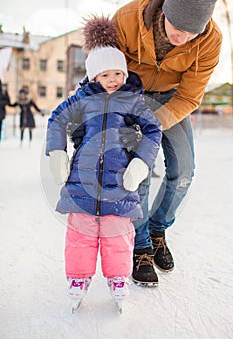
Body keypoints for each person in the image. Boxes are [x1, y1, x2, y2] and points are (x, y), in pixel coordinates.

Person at [46, 16, 162, 310]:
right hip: (82, 180)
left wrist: (141, 163)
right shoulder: (81, 100)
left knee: (118, 234)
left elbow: (153, 130)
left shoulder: (133, 102)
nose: (113, 80)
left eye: (117, 74)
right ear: (93, 77)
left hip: (120, 181)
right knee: (80, 233)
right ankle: (78, 277)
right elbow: (57, 120)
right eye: (105, 75)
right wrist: (57, 154)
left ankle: (119, 277)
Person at [112, 0, 222, 285]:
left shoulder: (210, 40)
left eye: (191, 33)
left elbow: (190, 95)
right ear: (165, 14)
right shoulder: (126, 19)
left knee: (184, 170)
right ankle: (141, 244)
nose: (182, 38)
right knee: (140, 172)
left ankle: (158, 229)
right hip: (130, 96)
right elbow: (107, 74)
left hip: (173, 101)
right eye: (178, 29)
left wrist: (154, 124)